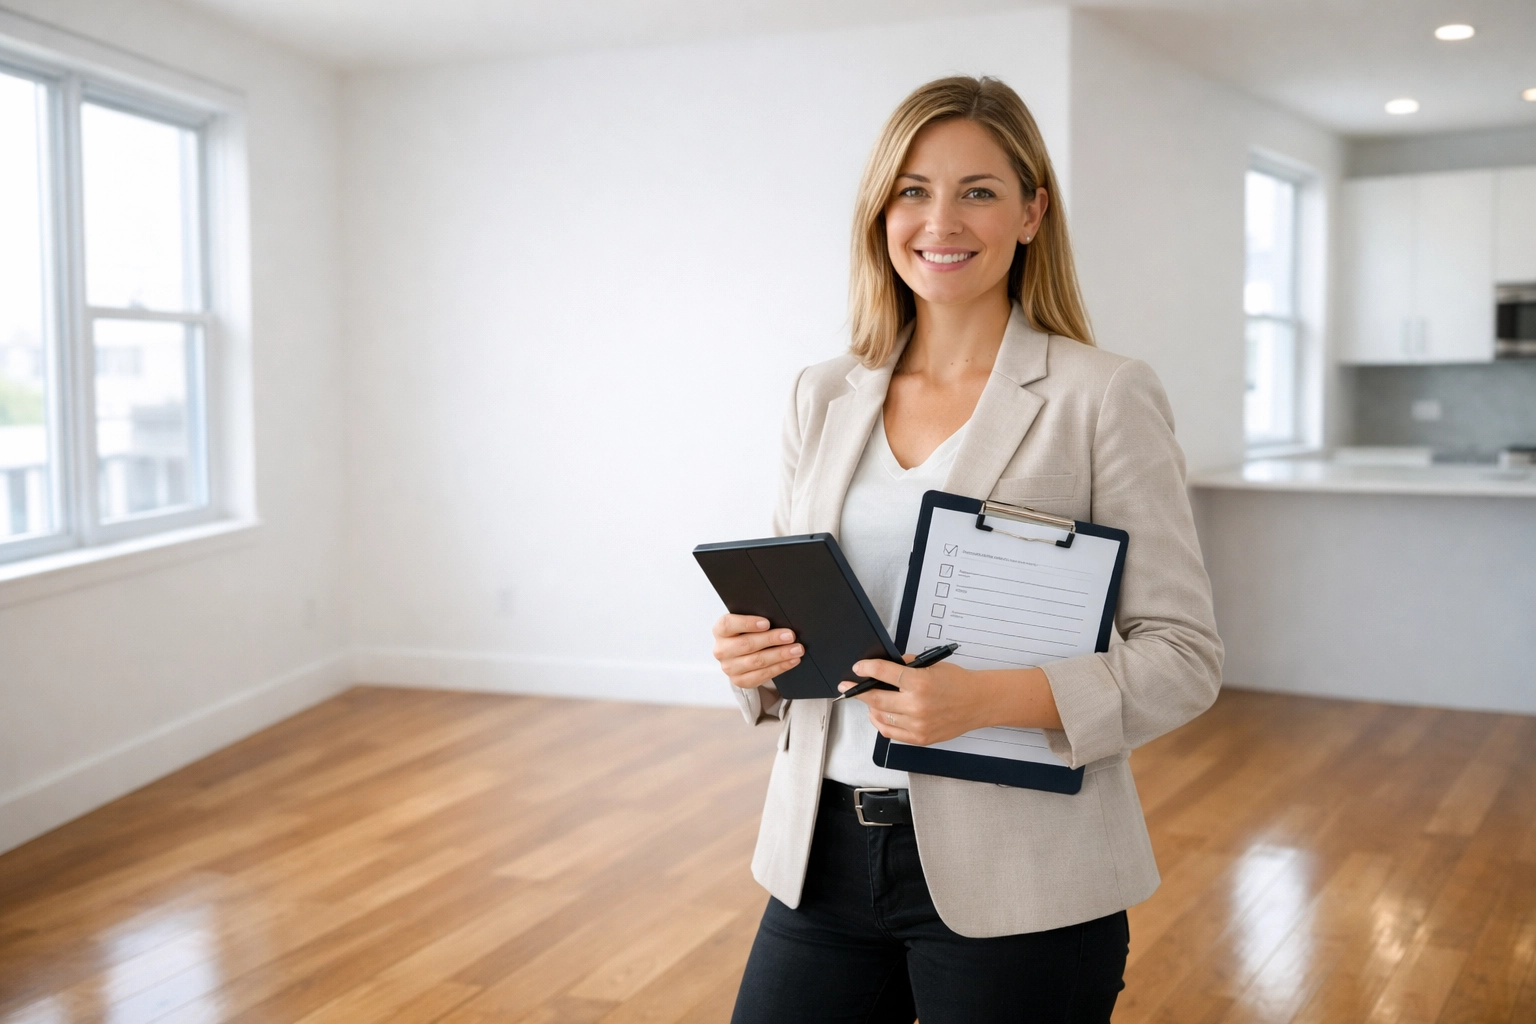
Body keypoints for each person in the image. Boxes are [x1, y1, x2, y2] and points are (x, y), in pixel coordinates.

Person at [709, 76, 1223, 1023]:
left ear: (1032, 211)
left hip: (1023, 876)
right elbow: (796, 618)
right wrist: (755, 660)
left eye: (978, 190)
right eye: (912, 189)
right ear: (881, 210)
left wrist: (988, 700)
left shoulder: (1101, 396)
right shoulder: (821, 394)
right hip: (818, 859)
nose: (940, 219)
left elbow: (1182, 658)